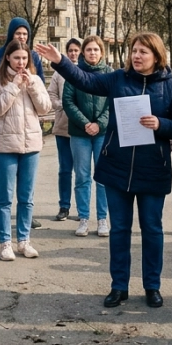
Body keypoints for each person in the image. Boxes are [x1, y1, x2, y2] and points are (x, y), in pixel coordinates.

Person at [36, 34, 172, 310]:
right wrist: (59, 61)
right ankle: (119, 286)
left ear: (157, 55)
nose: (137, 56)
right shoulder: (118, 78)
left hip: (153, 169)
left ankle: (152, 286)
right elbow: (86, 81)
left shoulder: (170, 86)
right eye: (134, 51)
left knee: (152, 230)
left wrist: (161, 124)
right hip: (117, 168)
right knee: (119, 229)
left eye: (143, 51)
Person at [0, 41, 52, 261]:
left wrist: (32, 86)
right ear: (8, 58)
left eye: (24, 59)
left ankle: (24, 241)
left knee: (27, 198)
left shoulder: (35, 80)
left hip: (31, 145)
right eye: (16, 58)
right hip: (5, 146)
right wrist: (14, 85)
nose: (21, 63)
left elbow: (45, 108)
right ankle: (5, 242)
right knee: (4, 198)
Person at [65, 35, 111, 237]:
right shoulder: (75, 73)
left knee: (103, 177)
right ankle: (83, 218)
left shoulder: (110, 74)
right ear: (83, 52)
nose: (92, 53)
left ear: (102, 52)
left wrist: (99, 124)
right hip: (80, 134)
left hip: (103, 133)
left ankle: (102, 219)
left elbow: (113, 102)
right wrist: (85, 123)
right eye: (89, 49)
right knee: (82, 177)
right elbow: (68, 101)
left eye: (96, 49)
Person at [49, 39, 82, 222]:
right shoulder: (59, 72)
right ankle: (64, 206)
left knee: (81, 171)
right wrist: (62, 105)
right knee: (65, 169)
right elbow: (51, 94)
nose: (73, 53)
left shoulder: (84, 70)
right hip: (63, 127)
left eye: (76, 50)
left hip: (82, 128)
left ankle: (81, 208)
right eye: (70, 50)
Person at [0, 17, 46, 82]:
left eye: (24, 34)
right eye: (18, 33)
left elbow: (41, 82)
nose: (21, 37)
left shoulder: (34, 56)